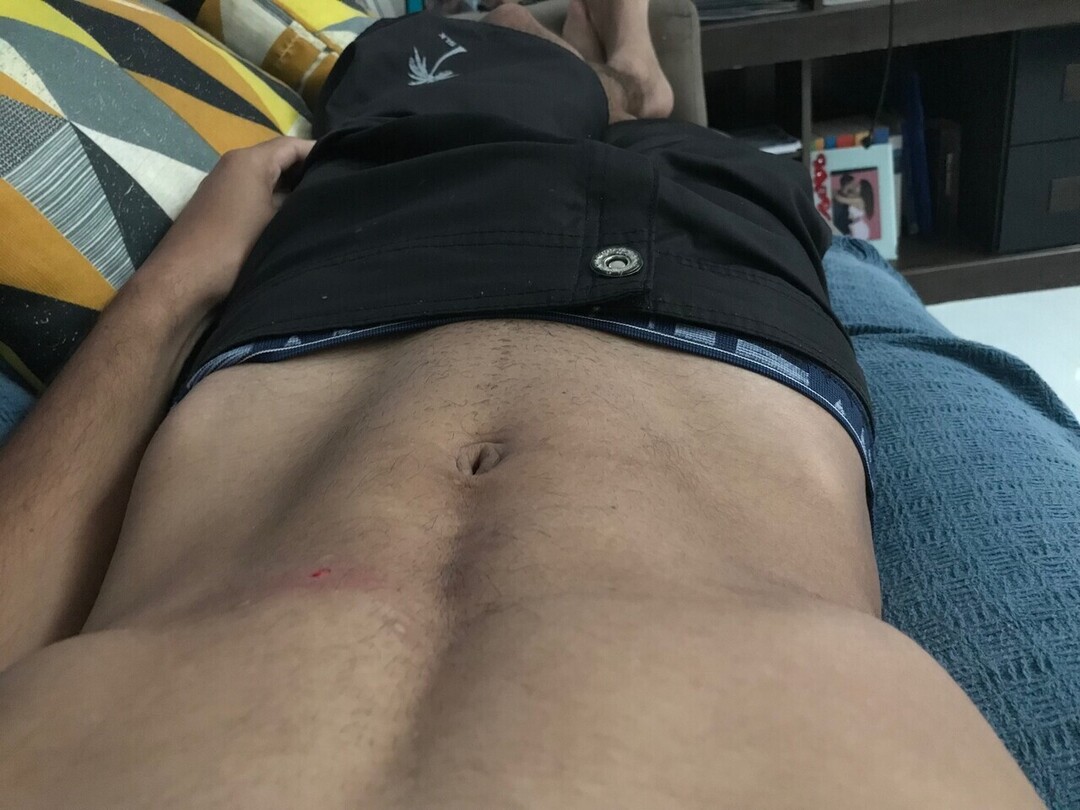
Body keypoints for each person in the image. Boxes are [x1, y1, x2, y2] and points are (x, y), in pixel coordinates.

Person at [0, 1, 1046, 807]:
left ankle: (606, 65)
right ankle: (626, 79)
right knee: (720, 175)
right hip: (719, 306)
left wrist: (178, 283)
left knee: (451, 64)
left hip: (360, 247)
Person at [834, 173, 876, 240]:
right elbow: (843, 194)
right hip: (855, 225)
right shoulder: (856, 198)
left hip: (859, 227)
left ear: (862, 189)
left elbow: (839, 199)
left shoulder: (859, 200)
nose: (855, 187)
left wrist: (846, 187)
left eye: (858, 186)